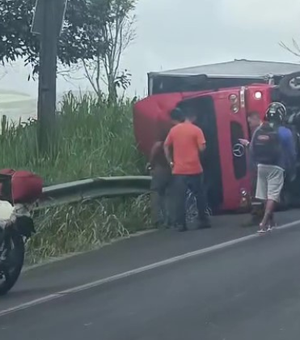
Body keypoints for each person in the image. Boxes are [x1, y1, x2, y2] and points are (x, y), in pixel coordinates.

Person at [250, 102, 296, 232]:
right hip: (277, 166)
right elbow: (291, 152)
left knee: (265, 195)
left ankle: (271, 221)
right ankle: (263, 222)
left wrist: (254, 165)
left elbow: (252, 149)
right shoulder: (285, 132)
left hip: (261, 166)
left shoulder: (259, 130)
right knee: (273, 196)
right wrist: (290, 167)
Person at [164, 107, 211, 232]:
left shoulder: (173, 131)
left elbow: (166, 145)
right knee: (200, 196)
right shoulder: (196, 130)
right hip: (195, 168)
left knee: (180, 198)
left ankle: (181, 224)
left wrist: (170, 161)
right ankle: (203, 220)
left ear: (174, 120)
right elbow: (202, 148)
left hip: (179, 170)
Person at [147, 108, 184, 228]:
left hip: (162, 165)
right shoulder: (183, 130)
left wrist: (151, 162)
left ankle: (158, 219)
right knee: (172, 194)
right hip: (176, 167)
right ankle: (172, 220)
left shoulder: (166, 129)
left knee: (157, 192)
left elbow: (157, 146)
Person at [239, 111, 263, 226]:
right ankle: (267, 216)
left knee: (256, 192)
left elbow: (256, 149)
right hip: (263, 166)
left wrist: (247, 144)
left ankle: (257, 216)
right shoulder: (263, 130)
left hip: (258, 167)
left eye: (250, 122)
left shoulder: (258, 132)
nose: (249, 125)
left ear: (255, 119)